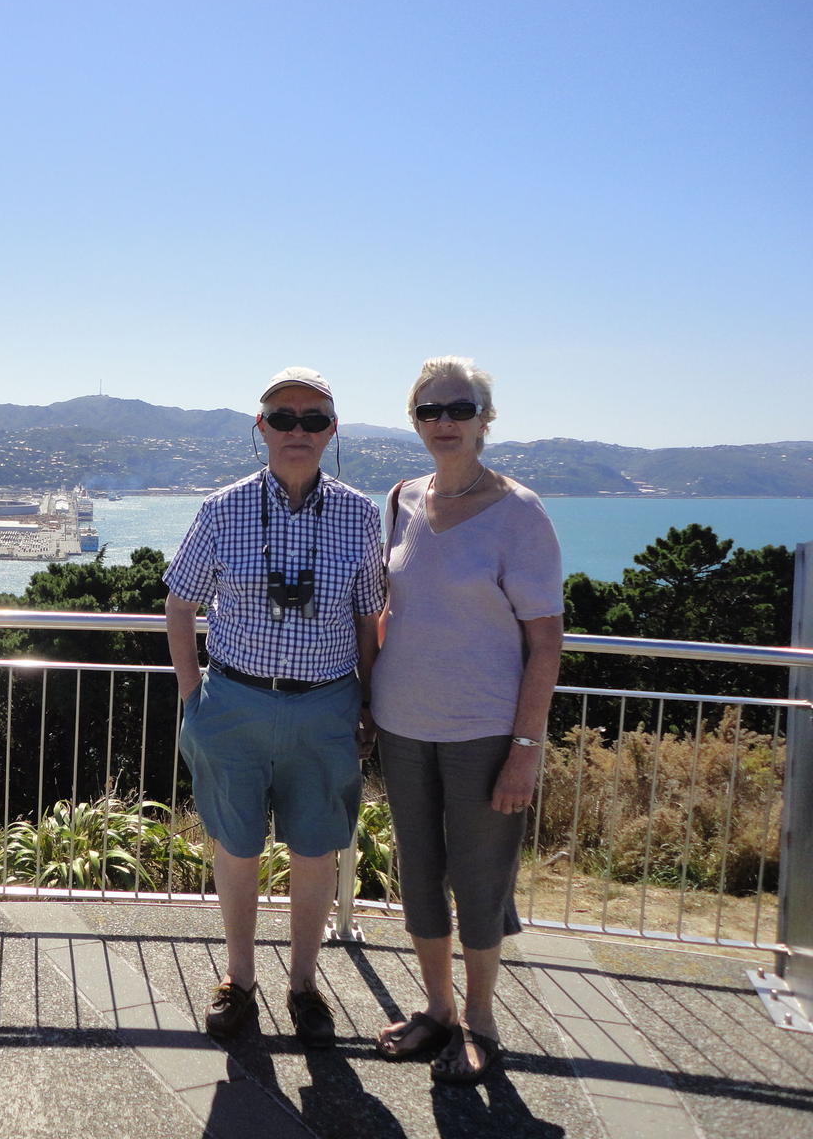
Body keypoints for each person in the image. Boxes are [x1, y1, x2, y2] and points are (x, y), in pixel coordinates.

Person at [164, 366, 385, 1047]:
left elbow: (367, 620)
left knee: (317, 851)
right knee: (236, 847)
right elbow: (179, 603)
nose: (298, 430)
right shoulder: (222, 507)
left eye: (313, 419)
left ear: (332, 431)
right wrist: (192, 695)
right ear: (260, 428)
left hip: (324, 706)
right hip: (233, 702)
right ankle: (239, 981)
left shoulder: (359, 513)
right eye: (283, 418)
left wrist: (368, 703)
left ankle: (304, 984)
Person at [370, 356, 564, 1084]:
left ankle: (482, 1022)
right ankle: (438, 1010)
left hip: (484, 731)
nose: (443, 422)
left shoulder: (520, 512)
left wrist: (525, 747)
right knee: (419, 874)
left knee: (480, 882)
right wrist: (365, 697)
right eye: (429, 410)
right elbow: (389, 610)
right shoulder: (401, 498)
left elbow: (545, 640)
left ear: (486, 419)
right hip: (401, 722)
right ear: (415, 422)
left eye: (459, 408)